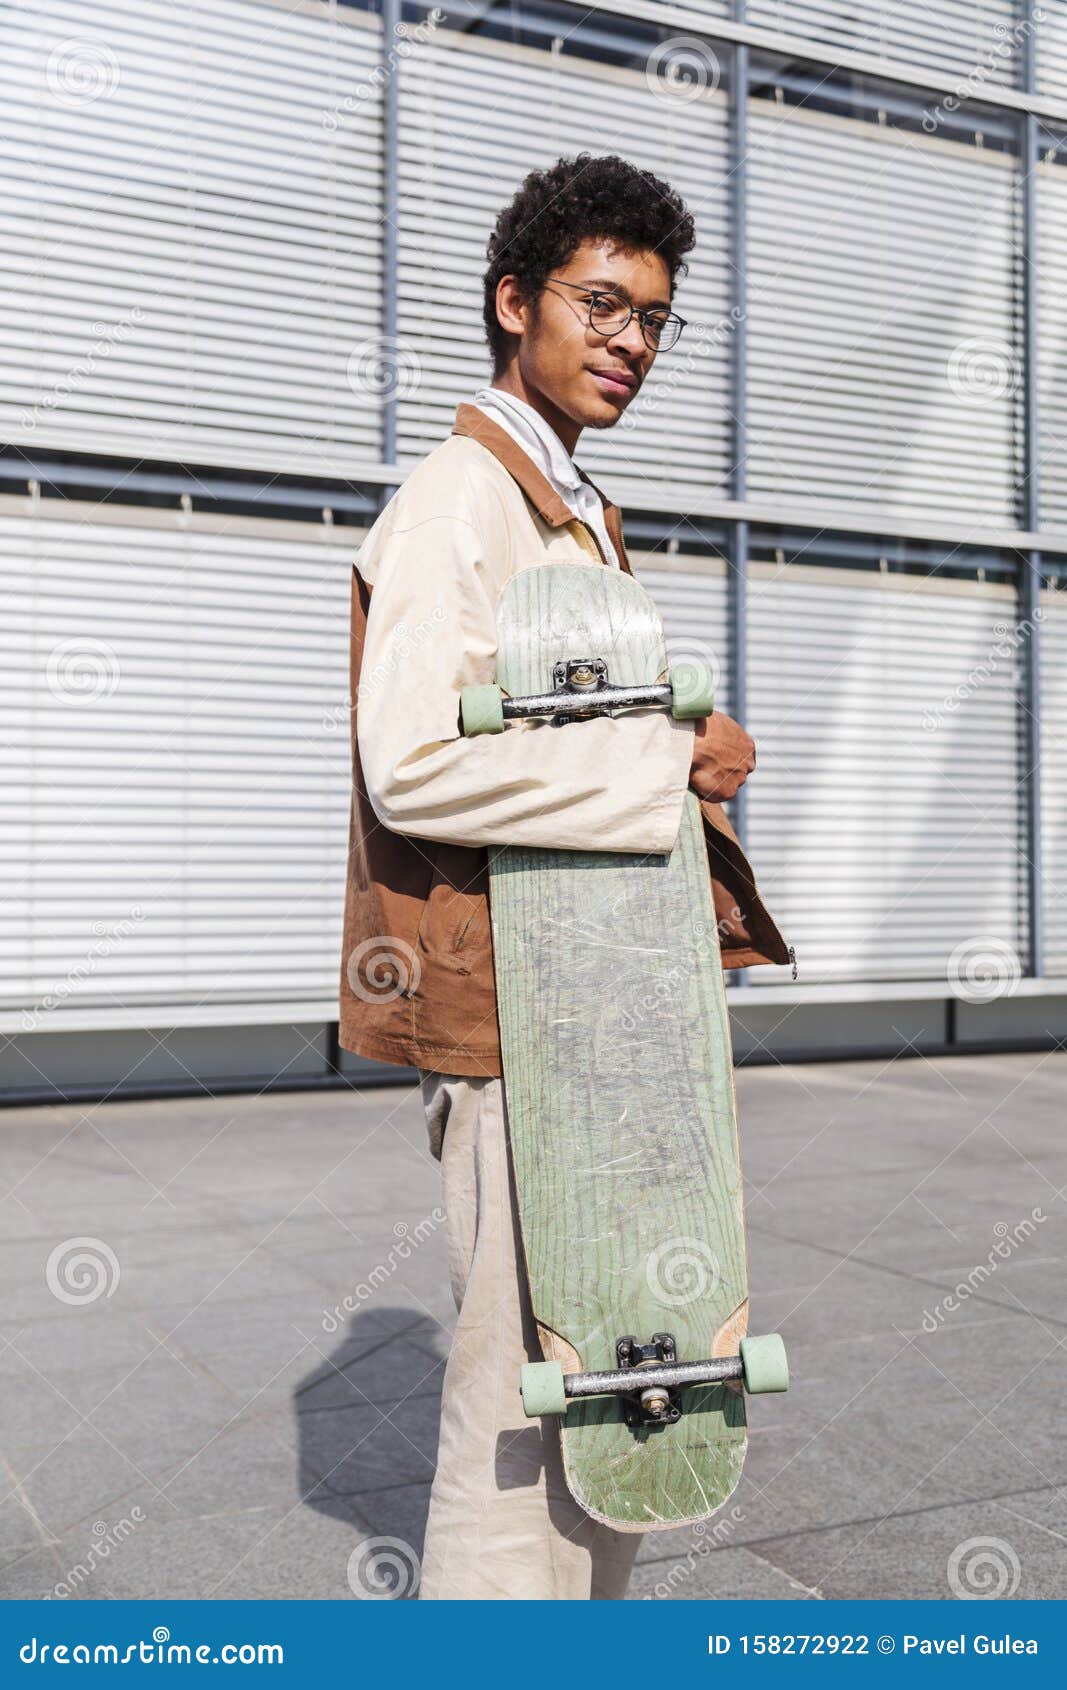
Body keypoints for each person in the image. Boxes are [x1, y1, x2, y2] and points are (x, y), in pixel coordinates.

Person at [339, 152, 790, 1600]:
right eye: (600, 304)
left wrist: (680, 743)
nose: (631, 342)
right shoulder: (457, 501)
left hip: (601, 1019)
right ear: (512, 303)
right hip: (516, 1028)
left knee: (622, 1404)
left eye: (654, 317)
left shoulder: (566, 500)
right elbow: (410, 760)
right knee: (519, 1442)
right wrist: (662, 764)